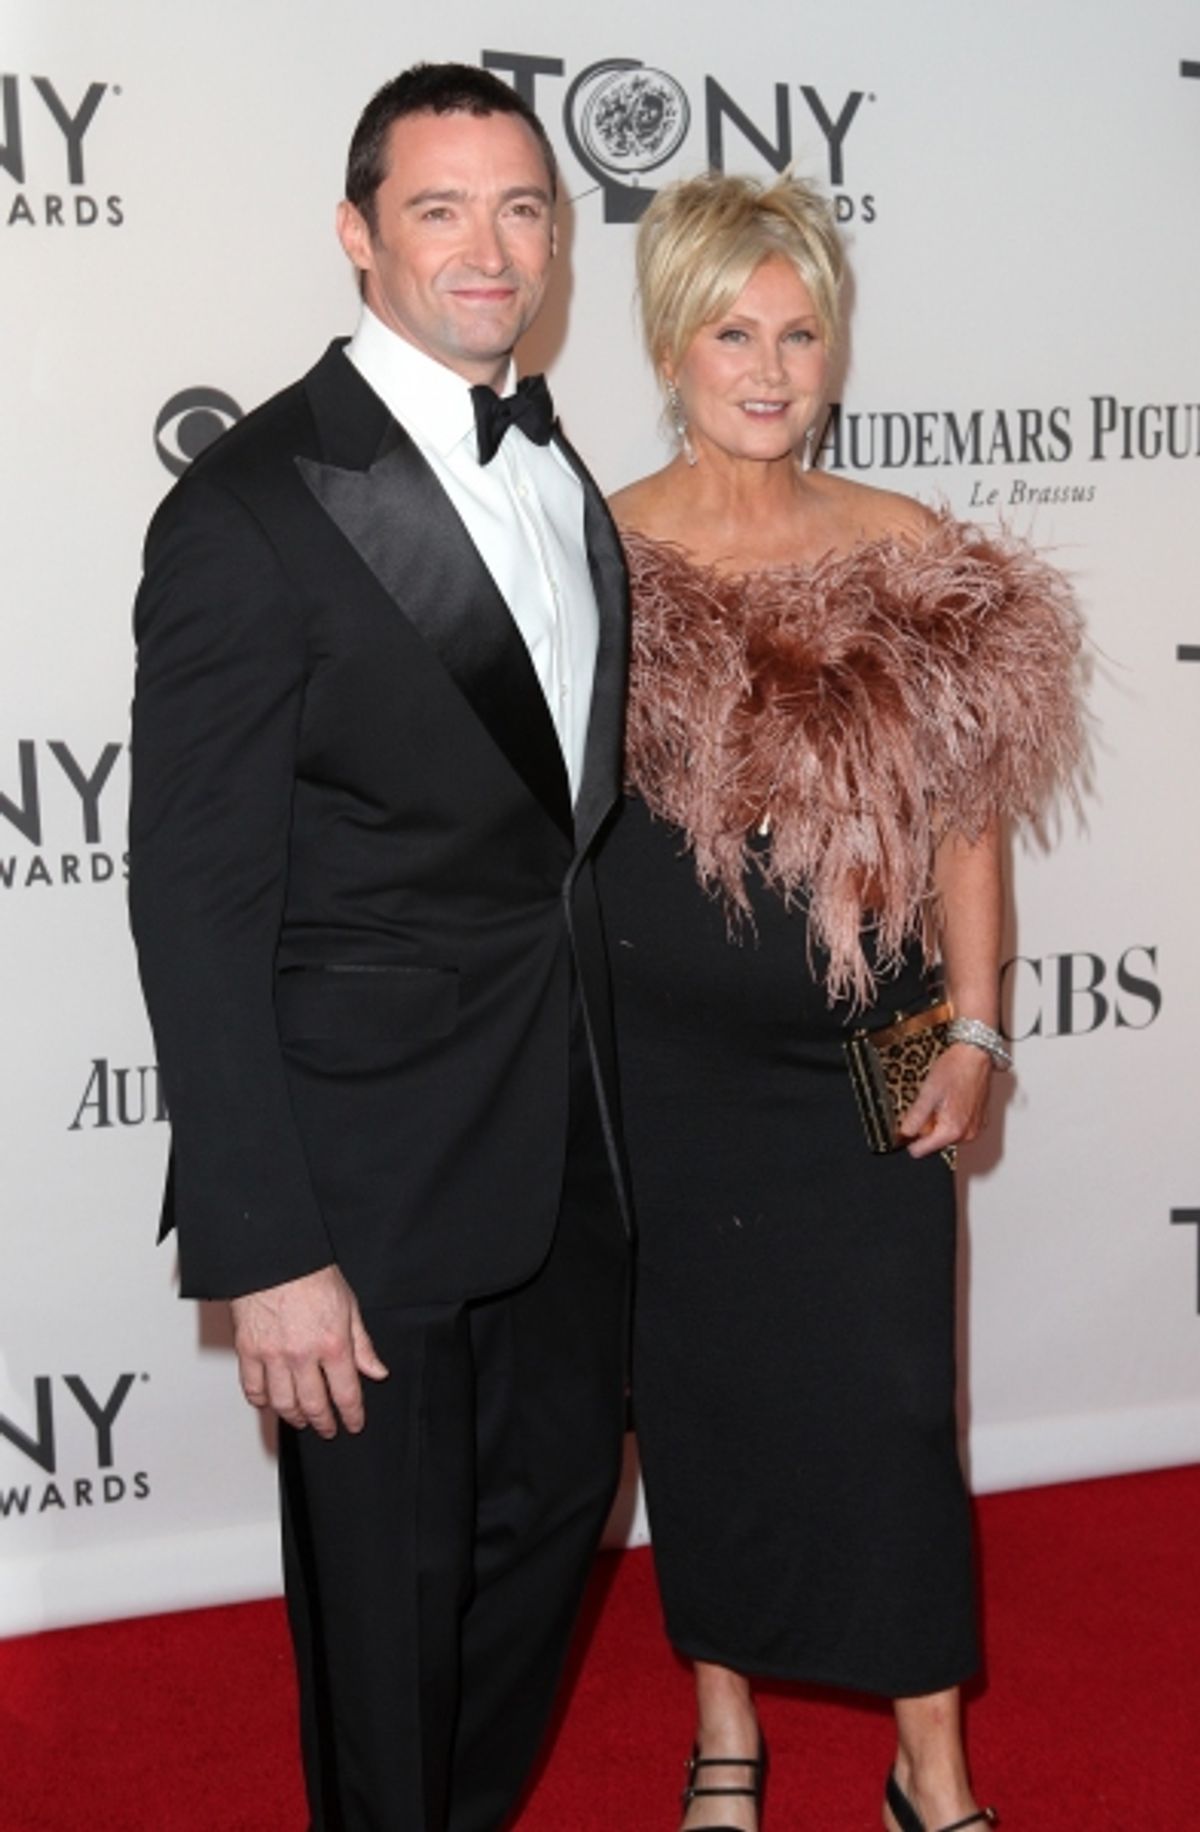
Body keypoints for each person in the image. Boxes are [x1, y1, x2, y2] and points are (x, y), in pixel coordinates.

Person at [129, 63, 630, 1832]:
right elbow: (193, 902)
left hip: (570, 1138)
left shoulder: (563, 473)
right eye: (439, 209)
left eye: (521, 209)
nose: (488, 251)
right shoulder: (251, 510)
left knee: (562, 1512)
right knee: (389, 1603)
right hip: (362, 1173)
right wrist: (264, 1246)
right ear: (357, 235)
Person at [595, 172, 1082, 1832]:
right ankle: (724, 1726)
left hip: (860, 1057)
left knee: (891, 1403)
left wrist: (978, 1024)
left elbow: (967, 824)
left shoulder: (905, 551)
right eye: (734, 328)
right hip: (654, 1070)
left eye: (801, 330)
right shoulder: (596, 549)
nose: (771, 363)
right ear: (671, 341)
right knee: (702, 1399)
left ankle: (926, 1757)